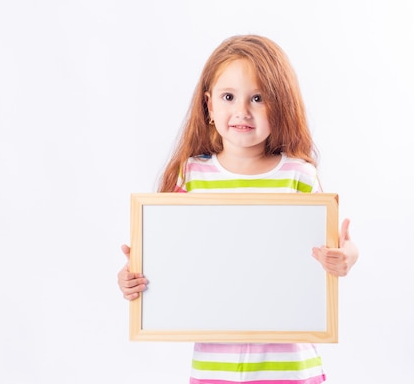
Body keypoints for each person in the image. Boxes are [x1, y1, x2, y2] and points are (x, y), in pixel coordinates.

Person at [117, 34, 359, 384]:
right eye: (228, 97)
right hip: (217, 369)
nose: (242, 111)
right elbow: (166, 256)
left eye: (258, 98)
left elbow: (339, 245)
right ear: (209, 106)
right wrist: (132, 277)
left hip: (291, 367)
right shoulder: (192, 175)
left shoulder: (298, 176)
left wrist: (347, 256)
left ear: (281, 105)